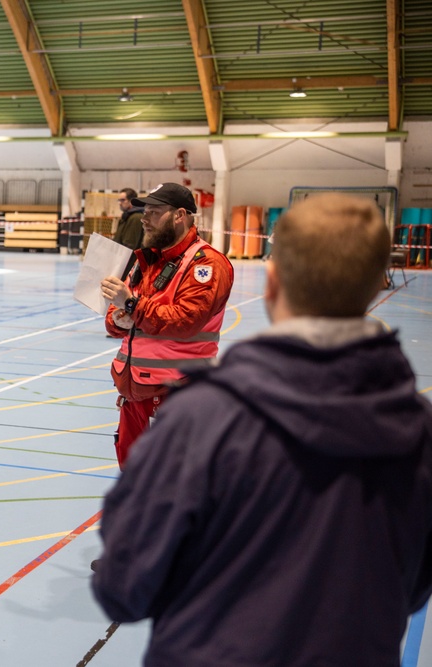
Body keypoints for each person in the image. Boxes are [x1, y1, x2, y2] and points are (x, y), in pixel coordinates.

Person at [92, 193, 432, 667]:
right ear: (378, 285)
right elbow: (413, 587)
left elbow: (123, 586)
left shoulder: (204, 417)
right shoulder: (419, 432)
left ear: (271, 285)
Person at [99, 182, 233, 468]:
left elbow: (185, 321)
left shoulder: (205, 264)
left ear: (179, 215)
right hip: (135, 394)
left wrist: (131, 306)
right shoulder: (147, 260)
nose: (145, 218)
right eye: (144, 210)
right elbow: (113, 321)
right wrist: (121, 314)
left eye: (154, 211)